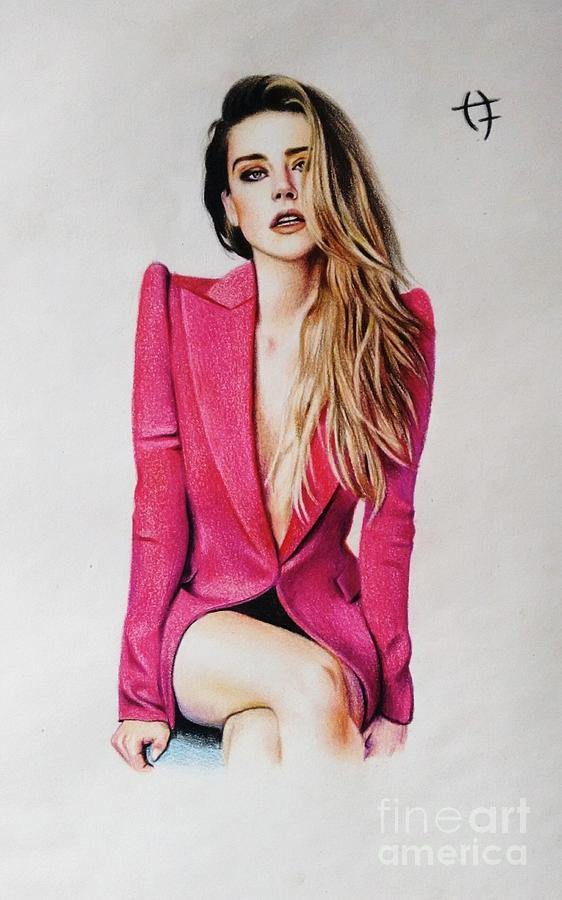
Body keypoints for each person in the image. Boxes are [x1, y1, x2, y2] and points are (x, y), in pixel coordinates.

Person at [110, 74, 435, 774]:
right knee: (308, 685)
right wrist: (139, 694)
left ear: (336, 183)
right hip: (207, 626)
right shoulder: (176, 312)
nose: (284, 189)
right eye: (254, 173)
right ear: (231, 208)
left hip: (328, 629)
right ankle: (357, 843)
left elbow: (390, 526)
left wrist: (393, 698)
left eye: (303, 165)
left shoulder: (395, 333)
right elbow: (157, 509)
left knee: (260, 741)